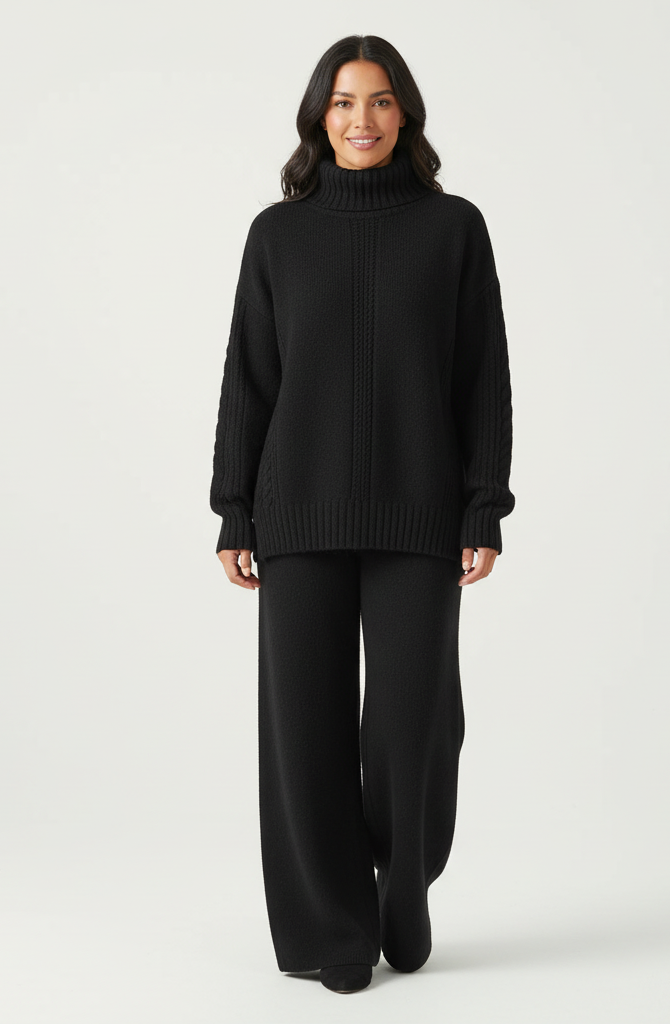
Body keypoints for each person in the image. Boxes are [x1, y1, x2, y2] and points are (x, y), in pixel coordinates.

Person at [209, 34, 515, 995]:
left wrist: (484, 504)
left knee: (411, 731)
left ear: (405, 114)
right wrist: (233, 510)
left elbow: (483, 377)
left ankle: (402, 888)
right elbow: (250, 380)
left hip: (421, 514)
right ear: (319, 117)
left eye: (379, 101)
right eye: (343, 103)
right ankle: (333, 932)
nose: (361, 120)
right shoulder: (277, 235)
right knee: (304, 733)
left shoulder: (454, 228)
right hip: (296, 513)